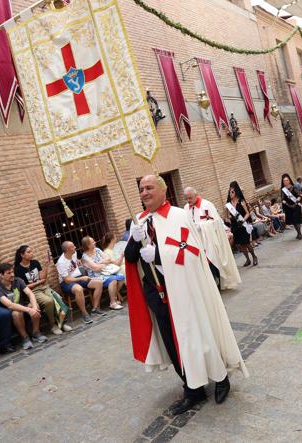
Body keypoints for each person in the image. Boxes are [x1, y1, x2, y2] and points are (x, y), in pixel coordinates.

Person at [124, 175, 248, 416]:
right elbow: (130, 259)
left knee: (198, 335)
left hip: (185, 290)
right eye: (141, 189)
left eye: (149, 187)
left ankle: (220, 378)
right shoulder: (138, 221)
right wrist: (135, 242)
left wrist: (158, 254)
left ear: (163, 190)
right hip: (157, 294)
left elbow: (192, 253)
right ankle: (192, 389)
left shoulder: (180, 216)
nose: (144, 193)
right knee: (173, 343)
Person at [183, 186, 241, 290]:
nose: (188, 201)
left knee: (214, 260)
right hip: (196, 241)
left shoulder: (207, 205)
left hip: (210, 240)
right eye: (186, 198)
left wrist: (201, 226)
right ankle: (212, 284)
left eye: (190, 198)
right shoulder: (186, 208)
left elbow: (216, 222)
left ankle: (218, 281)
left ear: (196, 195)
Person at [14, 245, 71, 334]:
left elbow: (42, 278)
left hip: (44, 287)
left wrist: (46, 266)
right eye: (28, 252)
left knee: (58, 298)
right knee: (49, 301)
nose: (31, 253)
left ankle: (62, 323)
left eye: (31, 251)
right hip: (33, 291)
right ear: (22, 255)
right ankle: (53, 325)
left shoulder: (35, 263)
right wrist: (38, 282)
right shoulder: (18, 269)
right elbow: (24, 287)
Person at [0, 263, 47, 350]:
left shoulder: (18, 280)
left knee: (35, 305)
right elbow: (9, 305)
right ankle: (25, 338)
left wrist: (33, 307)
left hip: (23, 305)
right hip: (10, 311)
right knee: (16, 313)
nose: (12, 274)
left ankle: (35, 332)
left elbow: (30, 293)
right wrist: (29, 310)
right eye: (8, 273)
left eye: (12, 272)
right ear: (1, 275)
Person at [56, 241, 105, 324]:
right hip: (66, 283)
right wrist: (81, 278)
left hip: (78, 278)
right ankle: (85, 314)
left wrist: (78, 260)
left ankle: (95, 308)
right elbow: (67, 280)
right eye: (73, 246)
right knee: (78, 289)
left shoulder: (73, 253)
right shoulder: (61, 262)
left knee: (98, 283)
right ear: (68, 249)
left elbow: (74, 261)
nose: (75, 247)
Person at [80, 236, 124, 311]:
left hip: (105, 272)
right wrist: (104, 263)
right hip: (96, 277)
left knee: (121, 276)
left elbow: (108, 258)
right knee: (113, 281)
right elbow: (96, 268)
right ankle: (113, 303)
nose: (95, 242)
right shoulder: (85, 257)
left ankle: (114, 297)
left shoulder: (97, 250)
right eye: (93, 242)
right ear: (88, 245)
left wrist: (99, 262)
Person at [225, 181, 258, 266]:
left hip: (243, 225)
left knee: (246, 243)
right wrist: (229, 217)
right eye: (229, 192)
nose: (231, 193)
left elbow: (247, 213)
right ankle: (247, 259)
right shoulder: (229, 205)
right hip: (235, 226)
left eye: (232, 191)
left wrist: (243, 220)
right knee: (240, 244)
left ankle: (254, 257)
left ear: (236, 191)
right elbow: (228, 216)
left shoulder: (241, 201)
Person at [100, 231, 127, 303]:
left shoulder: (113, 249)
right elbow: (117, 264)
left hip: (119, 266)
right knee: (125, 269)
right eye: (115, 237)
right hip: (115, 270)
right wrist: (122, 255)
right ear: (112, 240)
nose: (116, 238)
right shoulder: (107, 252)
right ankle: (116, 294)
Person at [280, 174, 302, 240]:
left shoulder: (294, 187)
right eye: (284, 181)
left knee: (297, 220)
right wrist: (284, 202)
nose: (286, 181)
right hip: (288, 207)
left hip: (296, 205)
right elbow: (282, 198)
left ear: (289, 181)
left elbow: (299, 195)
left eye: (287, 180)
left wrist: (298, 198)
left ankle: (299, 233)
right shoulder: (283, 190)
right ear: (283, 182)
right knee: (294, 221)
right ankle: (298, 233)